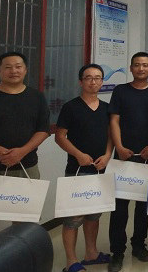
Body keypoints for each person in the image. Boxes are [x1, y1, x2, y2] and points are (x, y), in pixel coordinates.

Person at [107, 52, 148, 272]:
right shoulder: (120, 91)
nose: (141, 68)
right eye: (137, 65)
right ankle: (117, 252)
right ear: (131, 68)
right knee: (119, 209)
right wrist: (119, 147)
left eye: (145, 65)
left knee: (143, 207)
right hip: (122, 157)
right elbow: (114, 120)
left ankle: (139, 244)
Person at [55, 63, 113, 272]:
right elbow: (60, 137)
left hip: (99, 170)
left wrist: (108, 155)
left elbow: (111, 136)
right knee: (73, 218)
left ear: (102, 82)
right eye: (88, 78)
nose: (93, 82)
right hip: (76, 171)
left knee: (93, 215)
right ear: (81, 82)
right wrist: (78, 155)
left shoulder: (107, 108)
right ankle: (71, 261)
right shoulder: (71, 107)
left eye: (97, 78)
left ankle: (91, 253)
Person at [0, 51, 49, 235]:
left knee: (25, 222)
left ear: (25, 70)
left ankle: (21, 254)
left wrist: (21, 152)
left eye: (18, 66)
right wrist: (2, 153)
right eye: (8, 67)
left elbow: (43, 130)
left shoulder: (36, 97)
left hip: (27, 167)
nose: (13, 71)